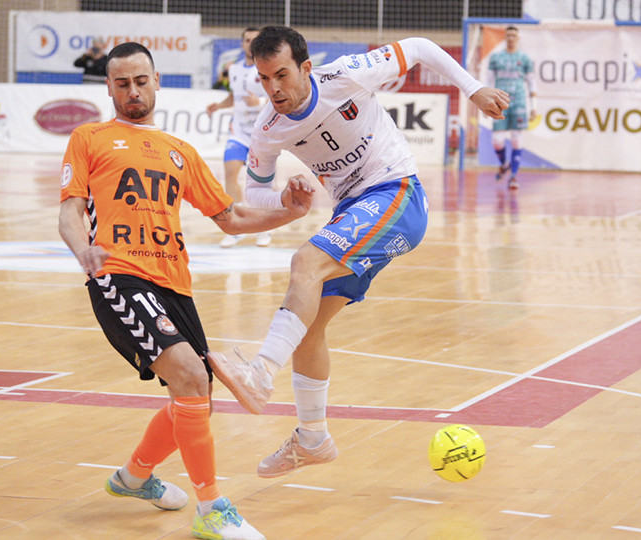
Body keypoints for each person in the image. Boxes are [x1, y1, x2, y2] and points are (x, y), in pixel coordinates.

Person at [207, 26, 509, 477]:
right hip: (352, 212)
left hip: (396, 194)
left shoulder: (346, 75)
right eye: (264, 77)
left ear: (306, 68)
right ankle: (312, 437)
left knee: (305, 261)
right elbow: (255, 190)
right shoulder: (268, 129)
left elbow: (422, 48)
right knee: (308, 327)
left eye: (282, 76)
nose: (273, 88)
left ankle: (261, 372)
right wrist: (286, 201)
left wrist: (474, 88)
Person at [58, 41, 313, 540]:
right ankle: (212, 508)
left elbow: (231, 217)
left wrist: (291, 211)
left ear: (157, 83)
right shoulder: (88, 138)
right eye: (121, 83)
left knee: (196, 397)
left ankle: (134, 478)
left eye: (140, 81)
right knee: (192, 378)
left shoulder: (181, 152)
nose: (132, 91)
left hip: (174, 282)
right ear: (108, 87)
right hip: (118, 274)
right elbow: (70, 210)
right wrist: (81, 249)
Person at [207, 28, 277, 248]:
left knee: (263, 184)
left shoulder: (268, 68)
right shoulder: (234, 69)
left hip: (262, 134)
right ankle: (236, 227)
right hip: (238, 132)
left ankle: (264, 229)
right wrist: (219, 105)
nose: (250, 43)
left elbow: (278, 97)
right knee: (230, 173)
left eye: (254, 40)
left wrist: (259, 103)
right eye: (247, 40)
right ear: (242, 44)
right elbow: (234, 97)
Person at [486, 26, 537, 190]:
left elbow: (531, 82)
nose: (511, 38)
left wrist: (533, 107)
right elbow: (489, 80)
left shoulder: (524, 58)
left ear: (518, 38)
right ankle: (504, 164)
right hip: (501, 102)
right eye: (508, 35)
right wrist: (486, 103)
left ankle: (514, 176)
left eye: (514, 35)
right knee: (497, 141)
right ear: (505, 37)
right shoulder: (496, 58)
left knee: (516, 138)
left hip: (519, 102)